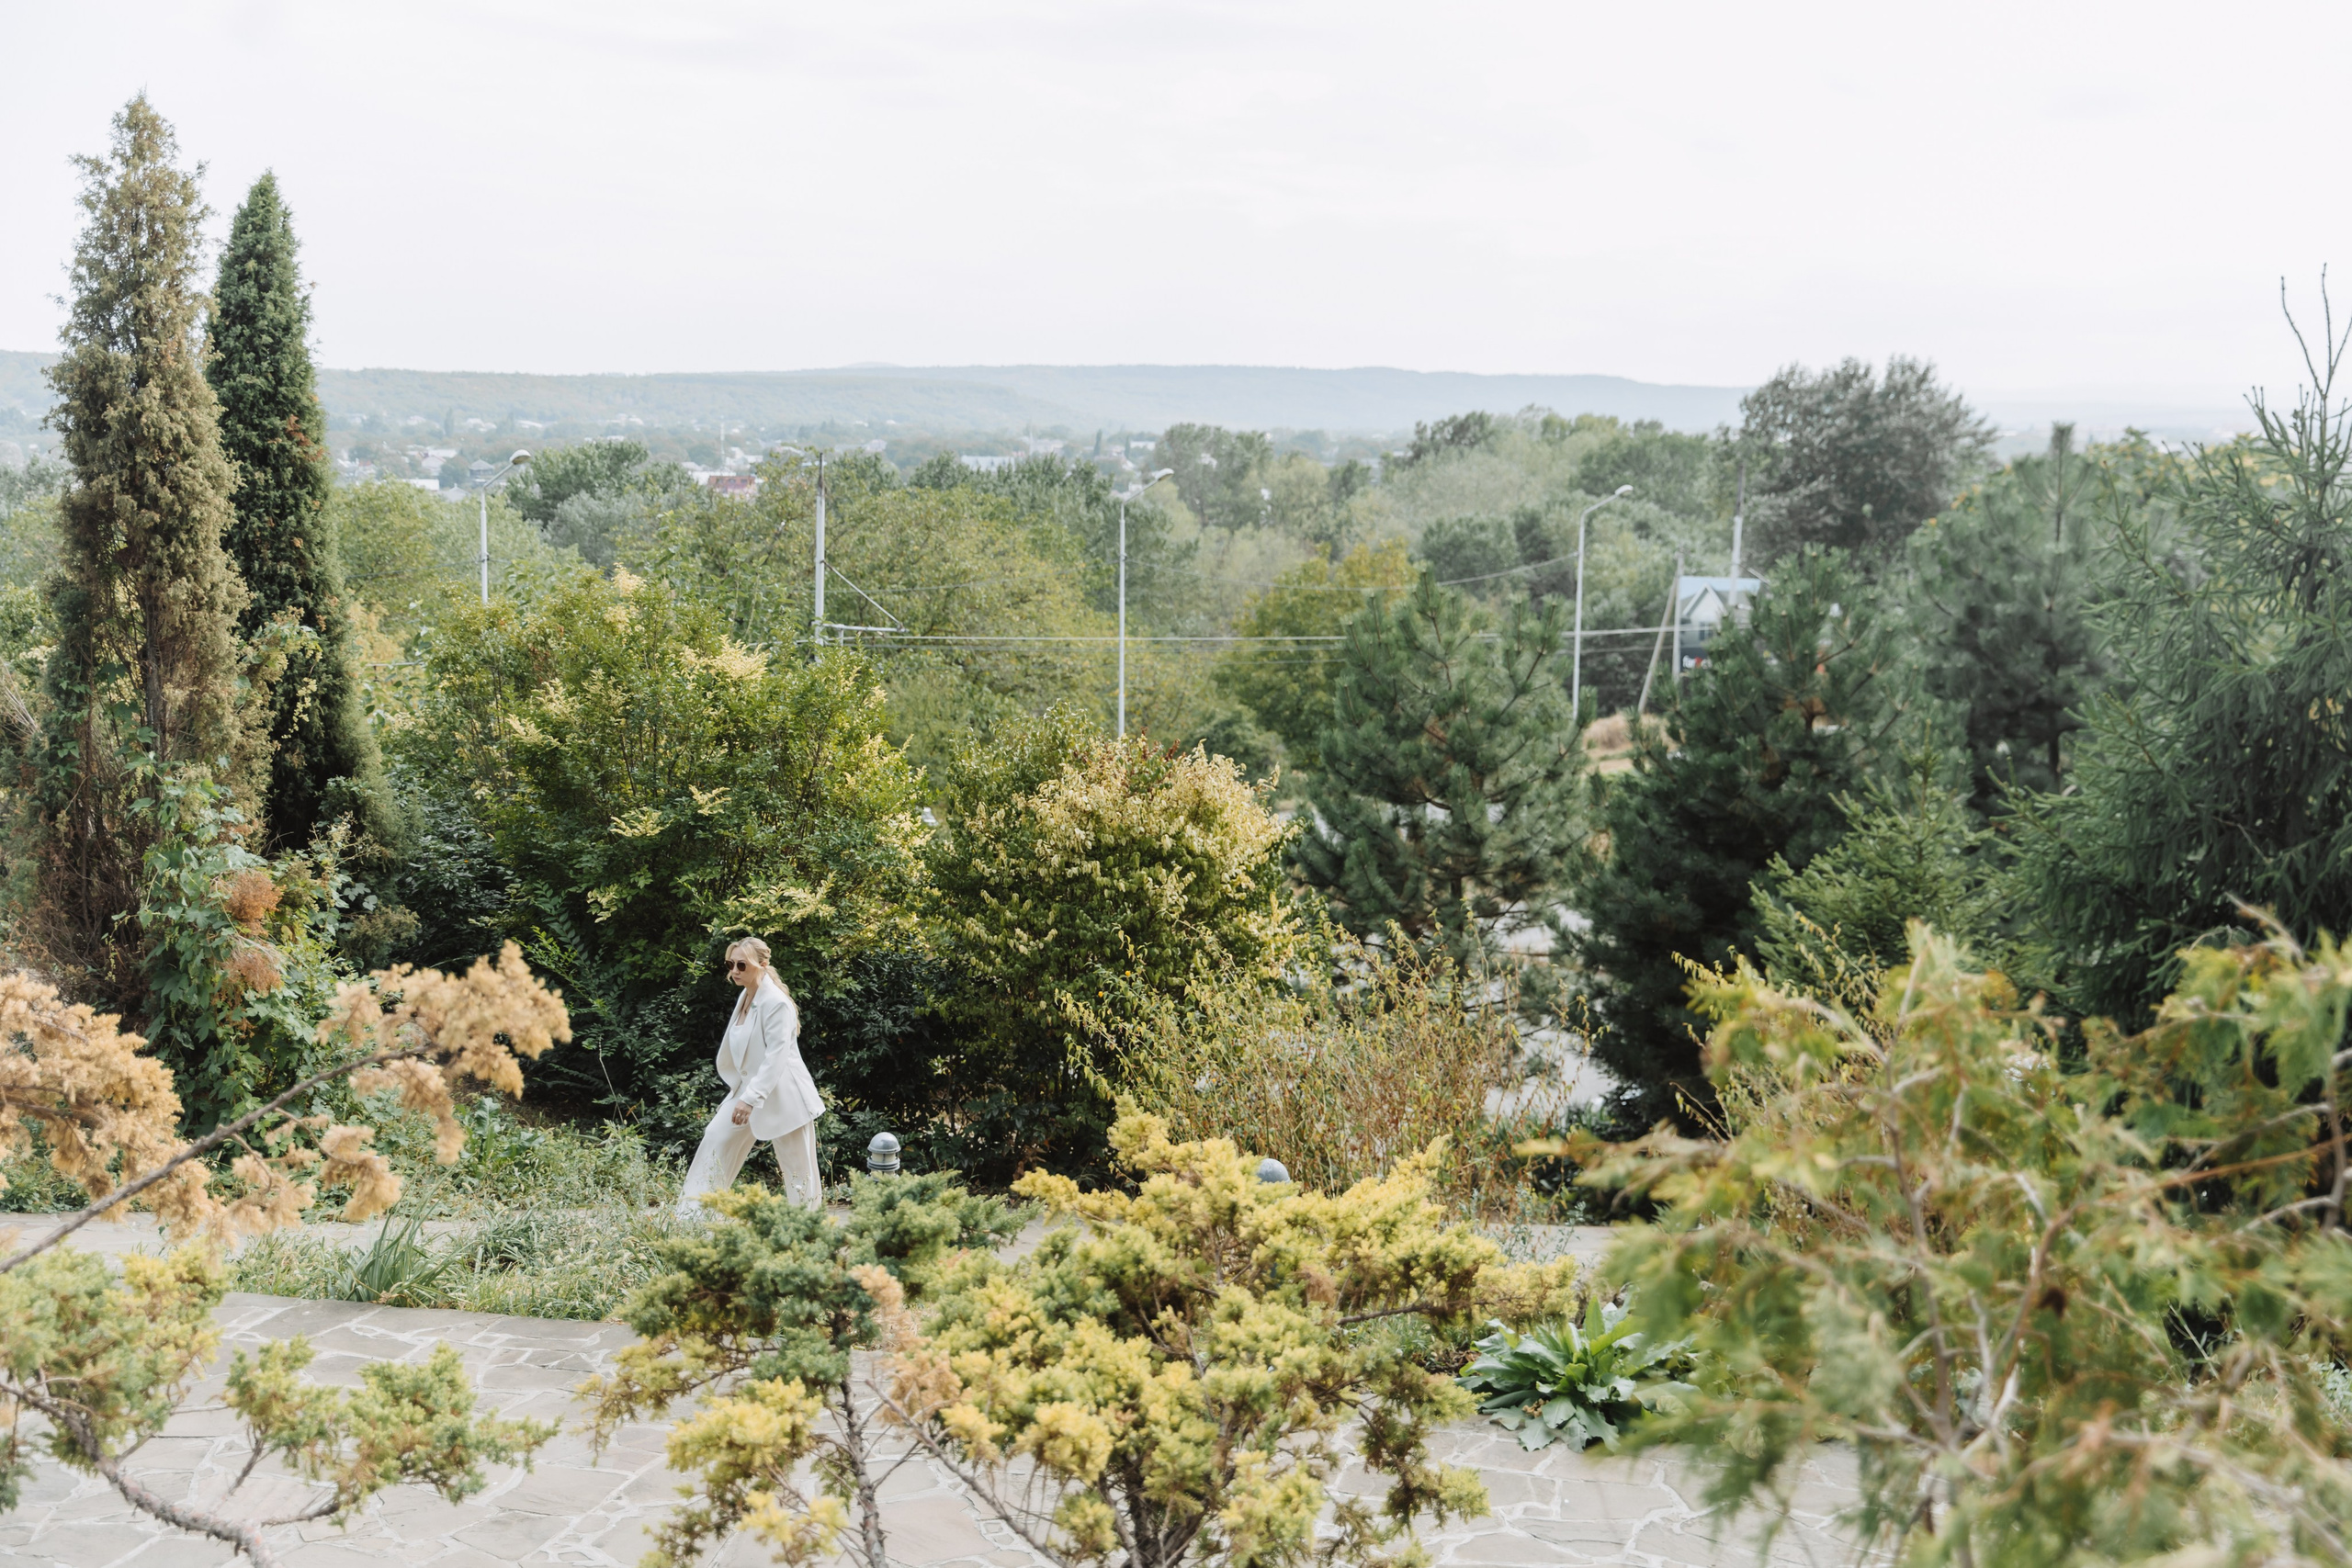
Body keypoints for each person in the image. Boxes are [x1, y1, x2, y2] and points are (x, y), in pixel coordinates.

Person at [673, 936, 826, 1218]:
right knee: (715, 1137)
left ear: (763, 964)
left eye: (742, 965)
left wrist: (751, 1099)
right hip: (747, 1092)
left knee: (798, 1171)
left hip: (786, 1099)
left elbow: (776, 1056)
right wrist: (744, 1095)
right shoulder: (746, 996)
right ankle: (693, 1219)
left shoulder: (776, 1003)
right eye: (730, 964)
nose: (734, 971)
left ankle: (808, 1233)